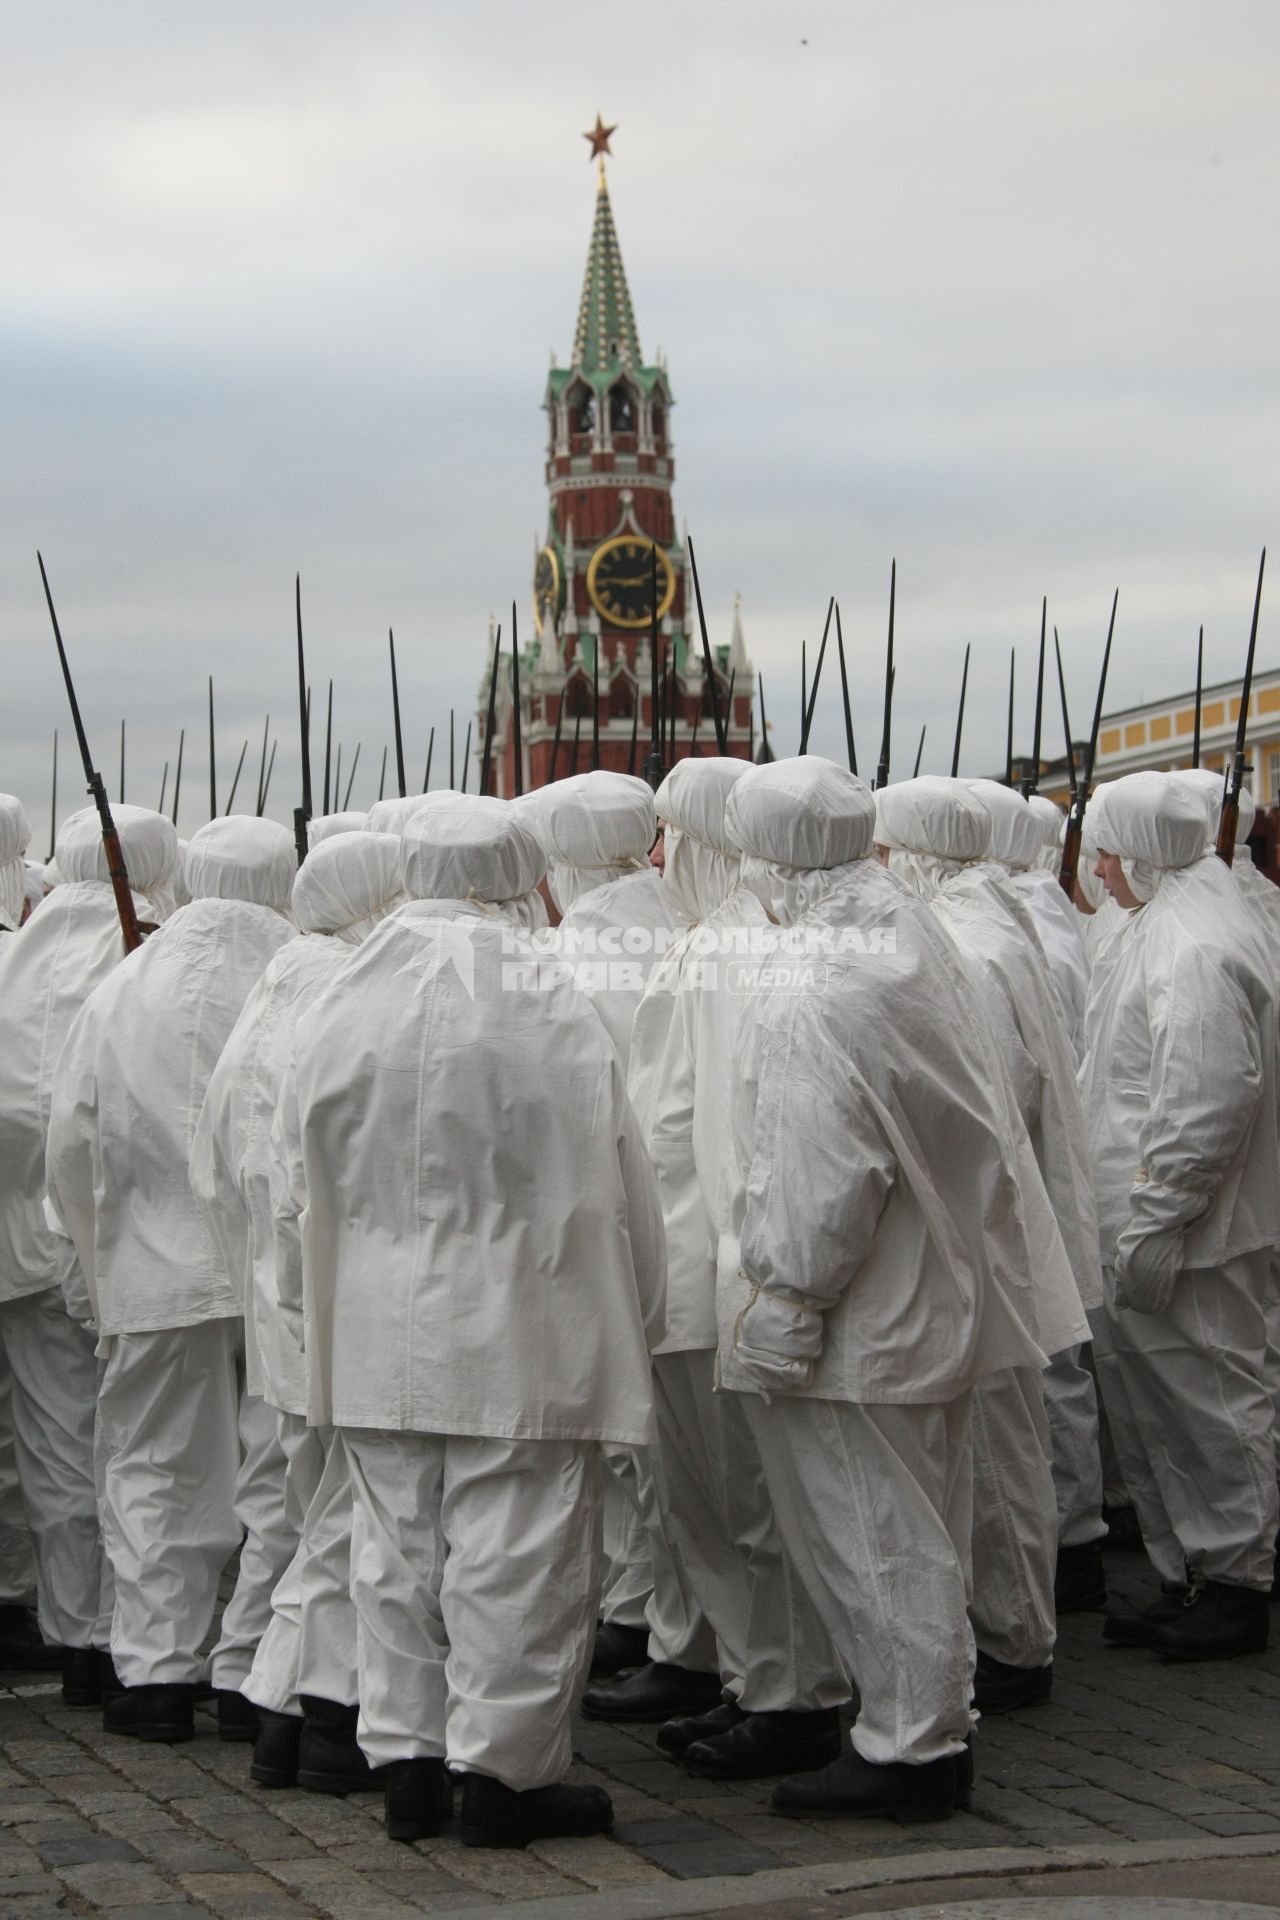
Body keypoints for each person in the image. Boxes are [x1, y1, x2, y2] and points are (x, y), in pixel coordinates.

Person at [272, 798, 666, 1846]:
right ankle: (504, 1774)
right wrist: (640, 1310)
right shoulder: (547, 995)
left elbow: (289, 1171)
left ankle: (403, 1756)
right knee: (519, 1549)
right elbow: (622, 1174)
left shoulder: (342, 995)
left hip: (371, 1319)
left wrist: (310, 1302)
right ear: (515, 874)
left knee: (390, 1547)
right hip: (525, 1315)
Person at [719, 757, 1044, 1822]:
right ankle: (928, 1727)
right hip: (925, 1283)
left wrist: (786, 1300)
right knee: (920, 1523)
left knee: (874, 1531)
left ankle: (908, 1747)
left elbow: (820, 1172)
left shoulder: (822, 976)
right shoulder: (906, 933)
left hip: (861, 1306)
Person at [618, 756, 849, 1778]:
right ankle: (754, 1676)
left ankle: (793, 1693)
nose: (658, 855)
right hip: (681, 1266)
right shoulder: (706, 948)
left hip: (716, 1266)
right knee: (706, 1504)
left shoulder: (743, 955)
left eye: (671, 833)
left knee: (751, 1507)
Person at [46, 816, 297, 1741]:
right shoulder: (303, 971)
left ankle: (155, 1672)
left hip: (152, 1269)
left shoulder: (124, 987)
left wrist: (92, 1262)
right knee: (275, 1469)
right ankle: (251, 1670)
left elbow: (70, 1140)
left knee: (155, 1467)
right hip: (273, 1271)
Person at [874, 776, 1097, 1703]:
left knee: (1001, 1449)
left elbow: (972, 1102)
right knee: (1002, 1437)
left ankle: (1013, 1642)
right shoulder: (987, 923)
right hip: (994, 1220)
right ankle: (1012, 1629)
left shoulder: (967, 940)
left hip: (984, 1225)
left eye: (887, 850)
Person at [191, 831, 405, 1789]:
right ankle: (315, 1711)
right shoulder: (343, 994)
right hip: (332, 1310)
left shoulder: (282, 989)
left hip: (288, 1311)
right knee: (347, 1521)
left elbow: (222, 1167)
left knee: (320, 1511)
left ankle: (284, 1705)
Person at [1082, 771, 1278, 1657]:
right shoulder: (1157, 922)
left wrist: (1160, 1217)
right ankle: (1190, 1571)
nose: (1096, 867)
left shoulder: (1193, 942)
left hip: (1192, 1231)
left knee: (1215, 1406)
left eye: (1107, 848)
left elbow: (1206, 1097)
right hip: (1149, 1220)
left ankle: (1237, 1580)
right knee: (1164, 1412)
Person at [0, 803, 179, 1701]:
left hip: (22, 1238)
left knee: (47, 1447)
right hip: (91, 1240)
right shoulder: (132, 949)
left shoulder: (21, 950)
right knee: (104, 1445)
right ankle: (106, 1637)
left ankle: (76, 1629)